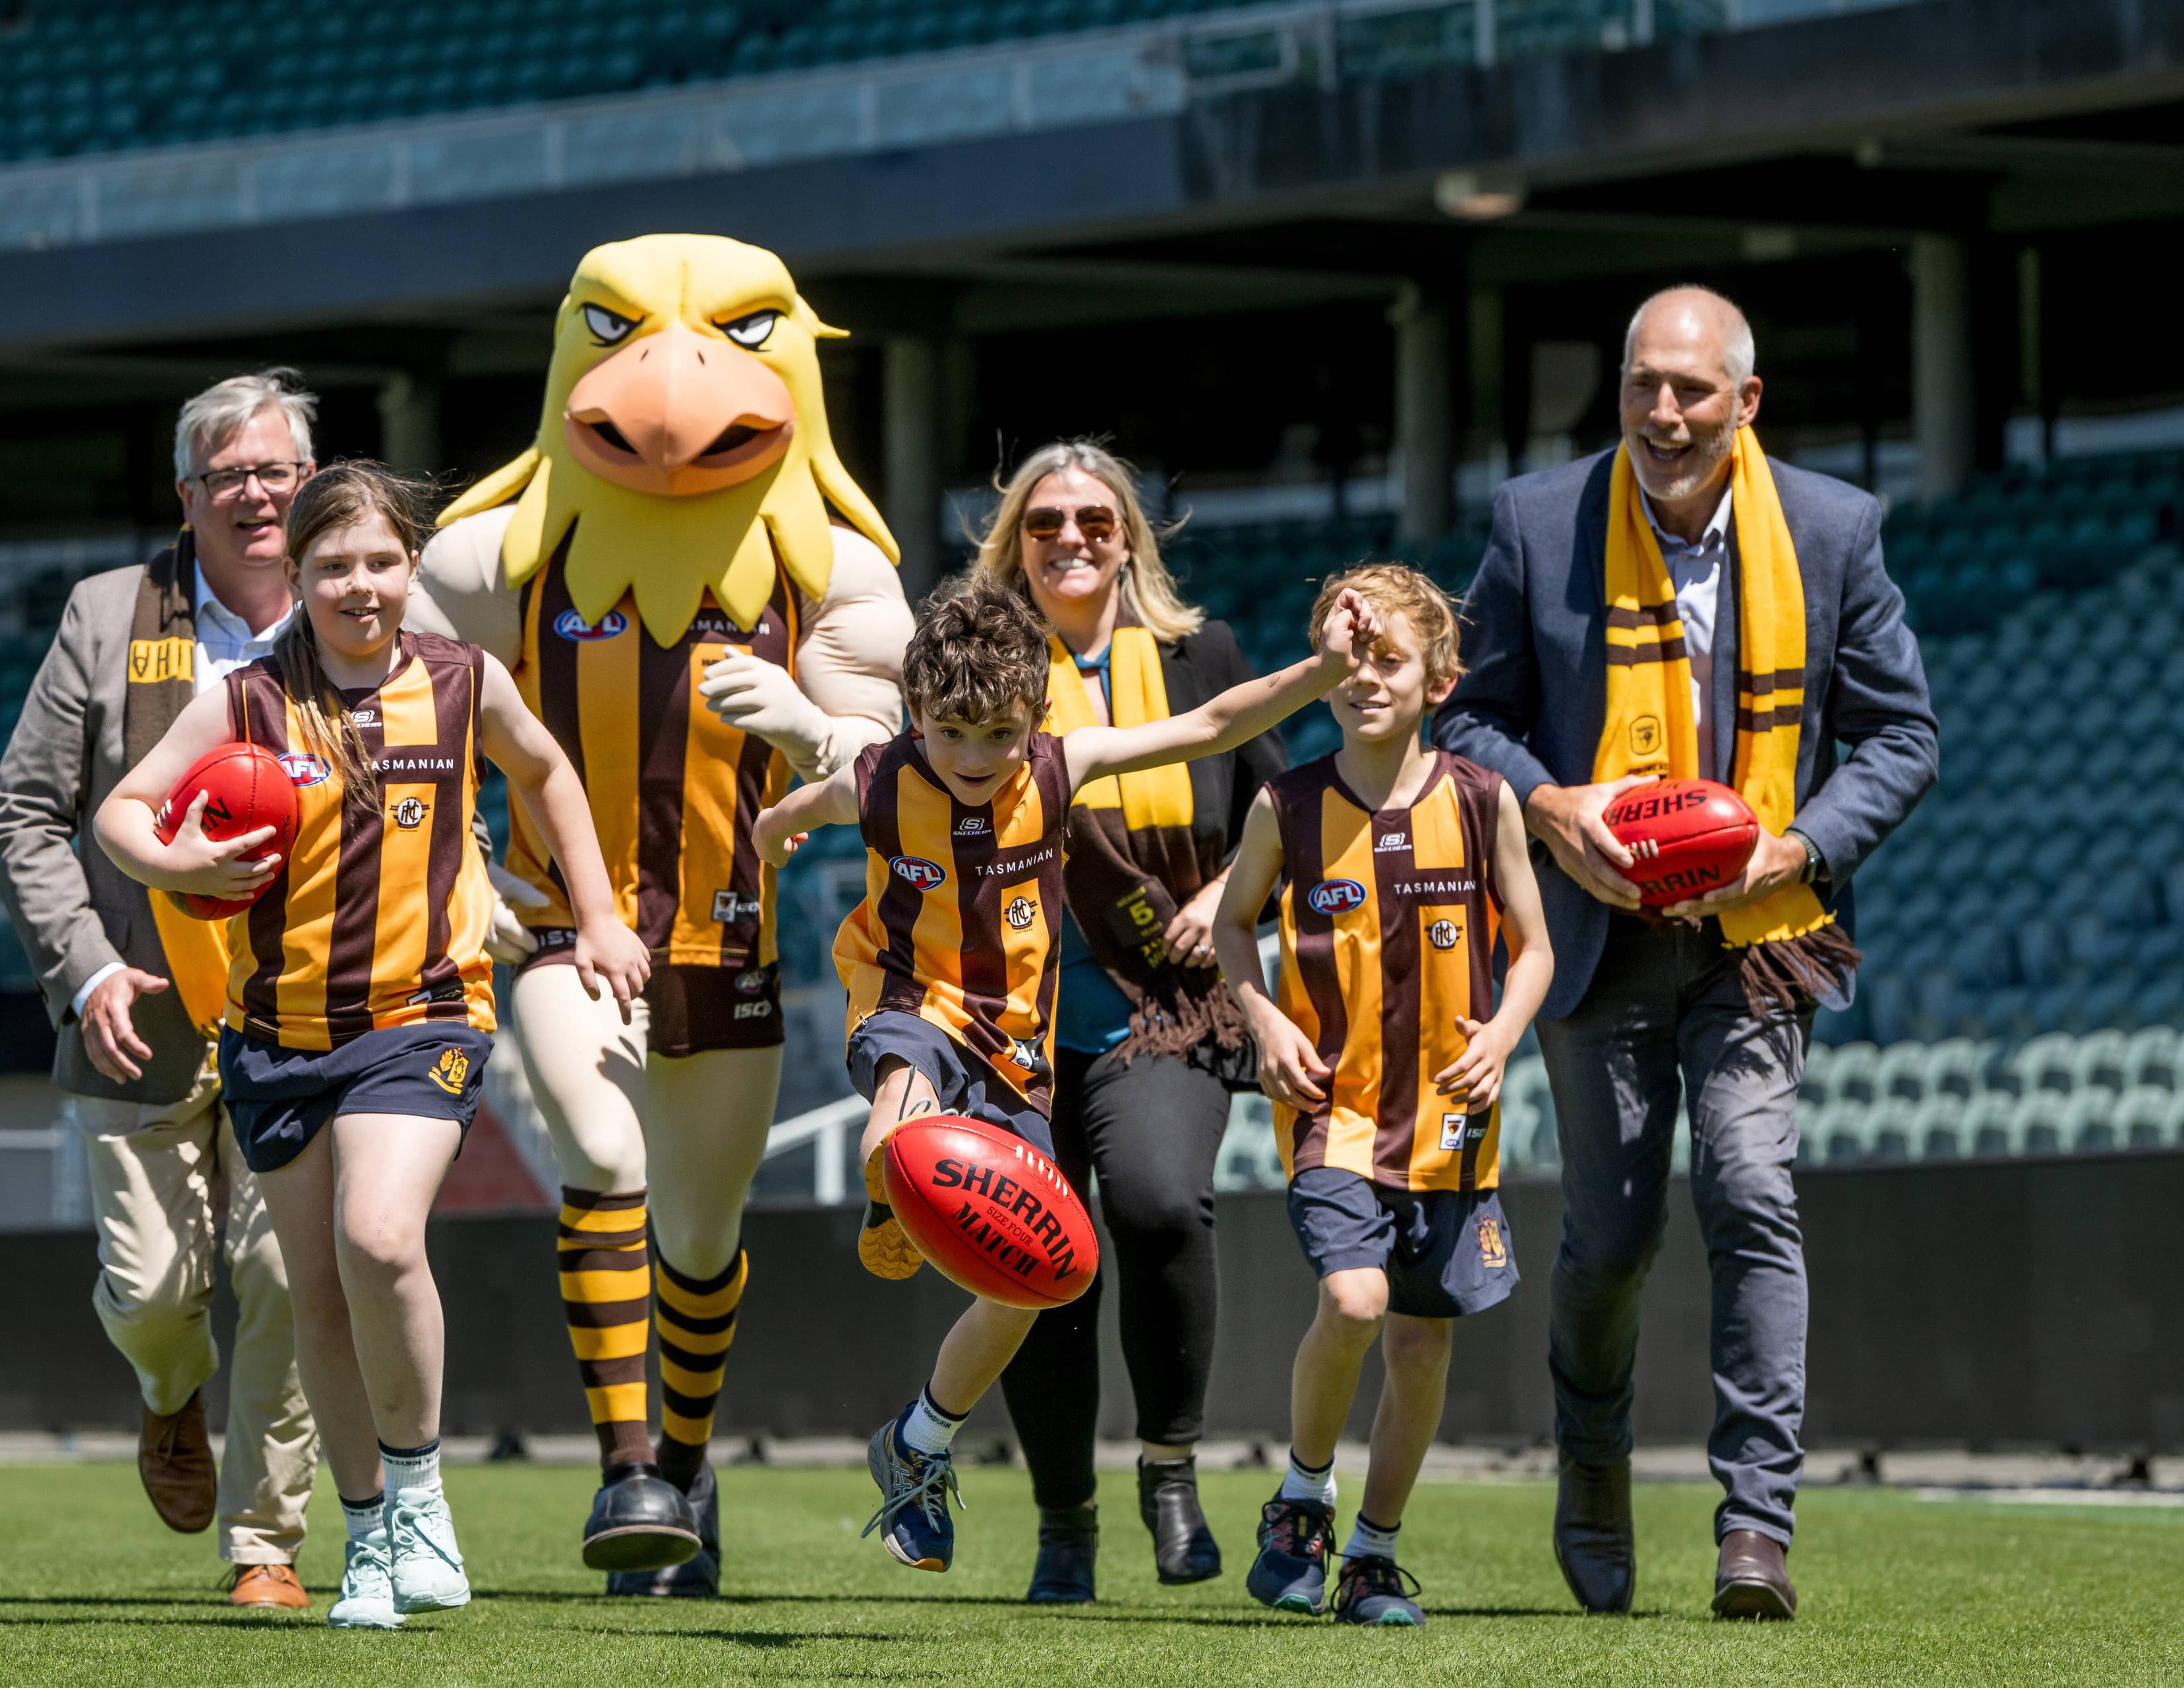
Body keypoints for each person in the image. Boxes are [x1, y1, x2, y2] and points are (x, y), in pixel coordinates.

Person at [408, 234, 912, 1593]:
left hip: (731, 942)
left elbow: (891, 771)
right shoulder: (488, 561)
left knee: (700, 1239)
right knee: (602, 1152)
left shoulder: (837, 571)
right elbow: (396, 726)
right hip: (564, 934)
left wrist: (811, 727)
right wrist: (465, 863)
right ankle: (629, 1465)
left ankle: (685, 1469)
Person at [1434, 286, 1937, 1620]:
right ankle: (1593, 1460)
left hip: (1758, 941)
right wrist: (1549, 805)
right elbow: (1466, 718)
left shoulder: (1835, 529)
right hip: (1594, 935)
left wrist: (1801, 845)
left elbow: (1902, 735)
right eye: (1642, 384)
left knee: (1752, 1188)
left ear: (1745, 402)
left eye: (1692, 390)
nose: (1663, 413)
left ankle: (1756, 1525)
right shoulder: (1536, 521)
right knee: (1611, 1238)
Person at [94, 462, 651, 1630]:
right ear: (296, 574)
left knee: (379, 1237)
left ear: (413, 567)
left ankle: (422, 1497)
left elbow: (547, 770)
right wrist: (177, 862)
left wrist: (598, 915)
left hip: (424, 1016)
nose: (360, 585)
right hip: (278, 1036)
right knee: (318, 1302)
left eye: (382, 562)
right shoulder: (246, 699)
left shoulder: (462, 679)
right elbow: (120, 813)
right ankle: (369, 1541)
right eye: (334, 565)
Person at [750, 582, 1355, 1577]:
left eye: (999, 734)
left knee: (1041, 1277)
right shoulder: (878, 779)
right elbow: (798, 809)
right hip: (909, 1001)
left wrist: (1325, 671)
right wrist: (774, 833)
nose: (975, 756)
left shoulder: (1061, 767)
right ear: (915, 712)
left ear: (1035, 716)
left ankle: (919, 1441)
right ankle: (893, 1183)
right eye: (951, 732)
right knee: (901, 1103)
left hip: (1014, 1054)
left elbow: (1211, 725)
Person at [0, 369, 321, 1606]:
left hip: (309, 1008)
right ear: (187, 497)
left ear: (310, 483)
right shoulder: (106, 612)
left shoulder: (358, 605)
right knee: (155, 1292)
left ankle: (266, 1544)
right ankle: (168, 1392)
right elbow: (25, 814)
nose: (255, 494)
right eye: (228, 475)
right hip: (138, 1012)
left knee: (286, 1274)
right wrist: (85, 972)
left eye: (276, 471)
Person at [965, 441, 1287, 1602]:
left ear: (1129, 539)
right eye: (1046, 521)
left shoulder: (1206, 656)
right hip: (1012, 1023)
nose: (1071, 539)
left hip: (1167, 1010)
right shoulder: (975, 664)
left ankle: (1169, 1467)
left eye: (1096, 521)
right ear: (1015, 542)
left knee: (1156, 1206)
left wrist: (1224, 893)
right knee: (1035, 1262)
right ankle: (1065, 1522)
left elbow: (1283, 810)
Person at [1212, 566, 1552, 1626]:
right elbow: (1231, 925)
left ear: (1439, 681)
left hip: (1451, 1128)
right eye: (1345, 659)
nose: (1364, 679)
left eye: (1388, 660)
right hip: (1335, 1113)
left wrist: (1504, 1035)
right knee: (1356, 1301)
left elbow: (1536, 948)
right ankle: (1302, 1495)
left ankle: (1371, 1554)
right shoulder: (1286, 805)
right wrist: (1265, 1020)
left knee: (1421, 1343)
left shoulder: (1484, 800)